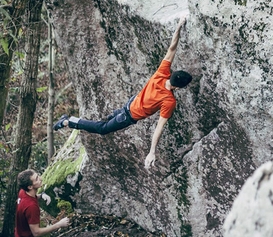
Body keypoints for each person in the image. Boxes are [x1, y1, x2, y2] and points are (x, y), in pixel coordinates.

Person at [53, 17, 192, 168]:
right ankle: (67, 121)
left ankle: (76, 120)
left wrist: (178, 26)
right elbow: (159, 127)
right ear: (178, 88)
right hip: (128, 116)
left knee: (105, 121)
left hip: (130, 103)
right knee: (102, 129)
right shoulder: (169, 101)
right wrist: (152, 152)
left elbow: (172, 49)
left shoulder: (162, 72)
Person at [15, 169, 69, 237]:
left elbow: (26, 200)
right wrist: (59, 224)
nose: (41, 178)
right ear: (30, 187)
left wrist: (41, 195)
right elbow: (36, 233)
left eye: (38, 176)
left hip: (19, 233)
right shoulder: (32, 207)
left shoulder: (23, 192)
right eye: (37, 179)